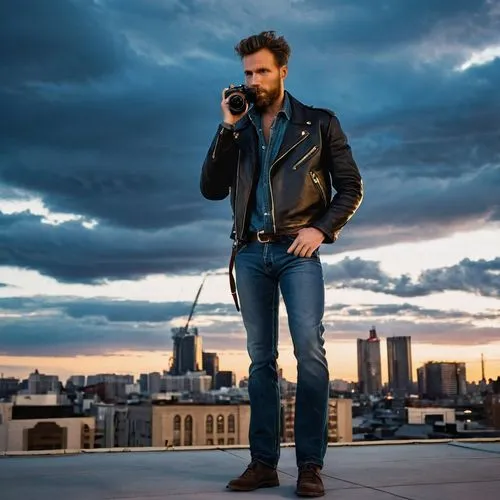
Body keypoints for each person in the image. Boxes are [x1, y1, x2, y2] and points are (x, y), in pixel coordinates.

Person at [200, 31, 363, 498]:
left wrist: (321, 229)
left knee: (309, 354)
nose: (253, 80)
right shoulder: (240, 127)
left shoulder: (319, 123)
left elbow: (350, 187)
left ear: (283, 72)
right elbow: (211, 189)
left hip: (298, 252)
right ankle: (263, 464)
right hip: (250, 252)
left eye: (262, 71)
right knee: (260, 362)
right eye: (248, 72)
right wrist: (227, 127)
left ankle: (310, 465)